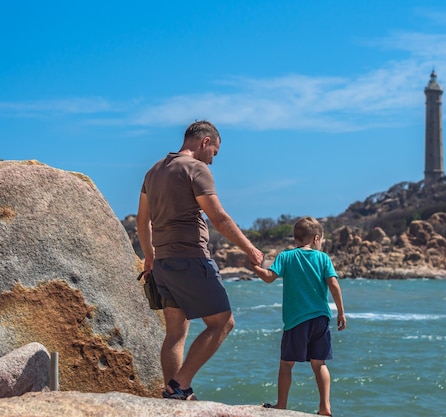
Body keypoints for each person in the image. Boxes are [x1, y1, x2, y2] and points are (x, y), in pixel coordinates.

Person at [137, 120, 264, 400]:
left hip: (164, 263)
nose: (213, 160)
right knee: (223, 322)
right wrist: (250, 249)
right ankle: (179, 386)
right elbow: (218, 216)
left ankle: (174, 394)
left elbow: (142, 221)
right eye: (214, 153)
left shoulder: (153, 171)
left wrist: (149, 257)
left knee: (175, 332)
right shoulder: (196, 169)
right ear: (205, 142)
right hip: (191, 259)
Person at [252, 216, 346, 417]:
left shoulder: (286, 256)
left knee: (286, 364)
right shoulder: (323, 258)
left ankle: (281, 405)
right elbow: (334, 284)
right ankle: (325, 408)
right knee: (319, 363)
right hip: (321, 318)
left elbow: (269, 278)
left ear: (296, 239)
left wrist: (255, 268)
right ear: (316, 238)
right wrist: (341, 312)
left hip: (296, 320)